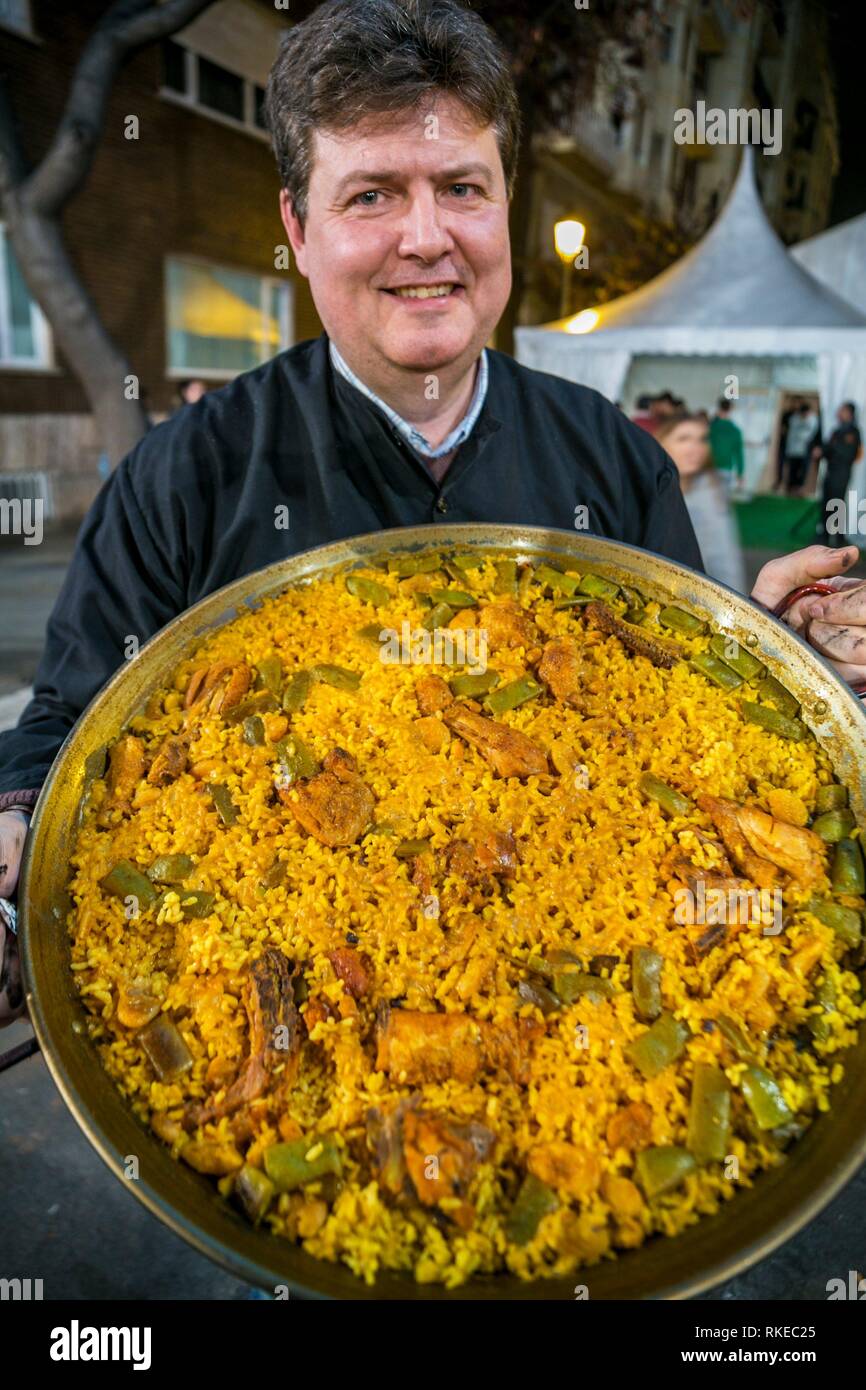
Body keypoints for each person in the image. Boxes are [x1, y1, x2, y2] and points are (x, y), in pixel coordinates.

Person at [1, 0, 865, 1023]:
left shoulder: (617, 461)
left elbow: (674, 721)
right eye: (369, 194)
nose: (425, 237)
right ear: (297, 226)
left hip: (561, 1012)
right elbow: (67, 719)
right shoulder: (177, 475)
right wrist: (16, 822)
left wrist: (781, 651)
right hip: (274, 1003)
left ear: (502, 205)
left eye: (461, 186)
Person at [656, 412, 747, 593]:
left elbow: (724, 559)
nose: (695, 448)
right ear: (661, 443)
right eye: (683, 439)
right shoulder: (643, 488)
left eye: (702, 439)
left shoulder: (711, 491)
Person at [814, 403, 863, 546]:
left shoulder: (853, 432)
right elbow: (828, 448)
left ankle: (838, 538)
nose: (839, 413)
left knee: (837, 504)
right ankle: (824, 536)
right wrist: (821, 451)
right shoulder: (837, 431)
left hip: (841, 473)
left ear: (850, 413)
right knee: (826, 503)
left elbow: (848, 453)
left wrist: (828, 449)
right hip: (830, 472)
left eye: (842, 410)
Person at [708, 397, 745, 496]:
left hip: (708, 468)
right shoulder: (735, 431)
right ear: (731, 409)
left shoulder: (710, 427)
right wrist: (740, 474)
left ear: (718, 408)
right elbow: (739, 454)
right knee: (721, 500)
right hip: (726, 468)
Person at [783, 400, 820, 495]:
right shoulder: (794, 419)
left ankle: (800, 488)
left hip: (805, 449)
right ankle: (790, 488)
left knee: (803, 470)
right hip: (793, 449)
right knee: (793, 469)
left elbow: (813, 434)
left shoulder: (813, 419)